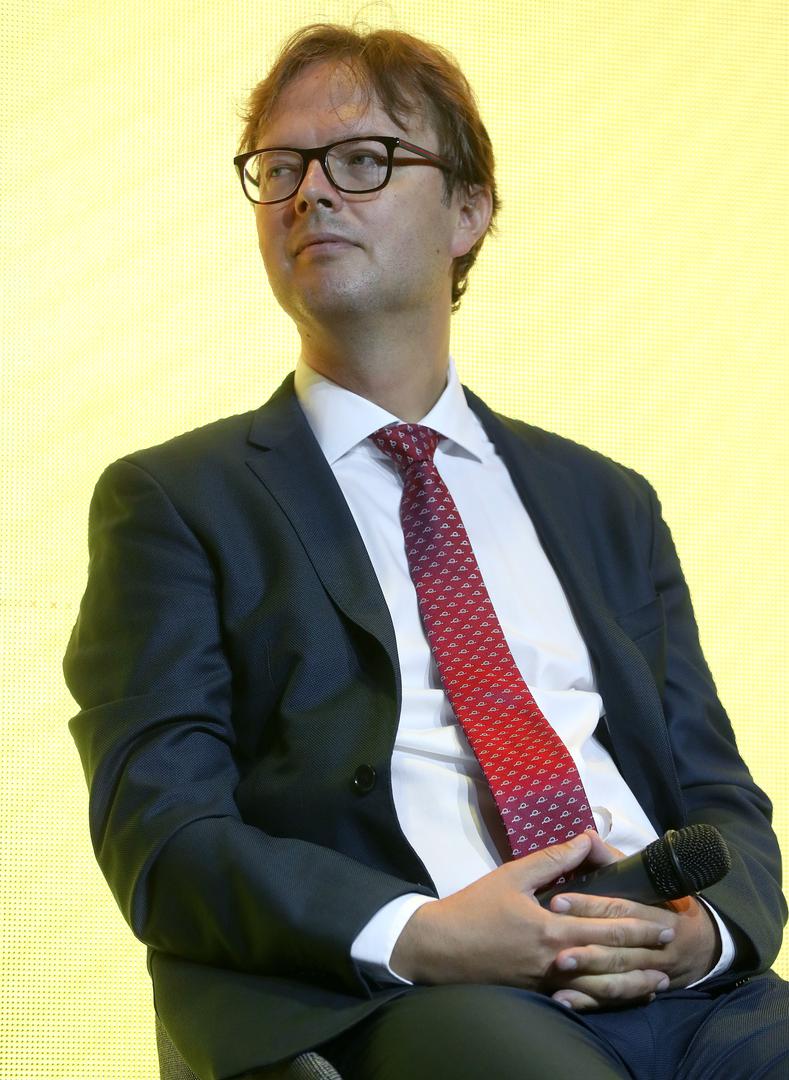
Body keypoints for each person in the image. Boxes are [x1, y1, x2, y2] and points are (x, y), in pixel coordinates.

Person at [64, 23, 787, 1080]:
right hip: (404, 992)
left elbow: (722, 797)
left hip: (687, 989)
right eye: (280, 167)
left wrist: (703, 935)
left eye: (363, 159)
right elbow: (162, 836)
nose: (311, 193)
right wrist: (421, 934)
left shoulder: (607, 501)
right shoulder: (175, 501)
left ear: (468, 210)